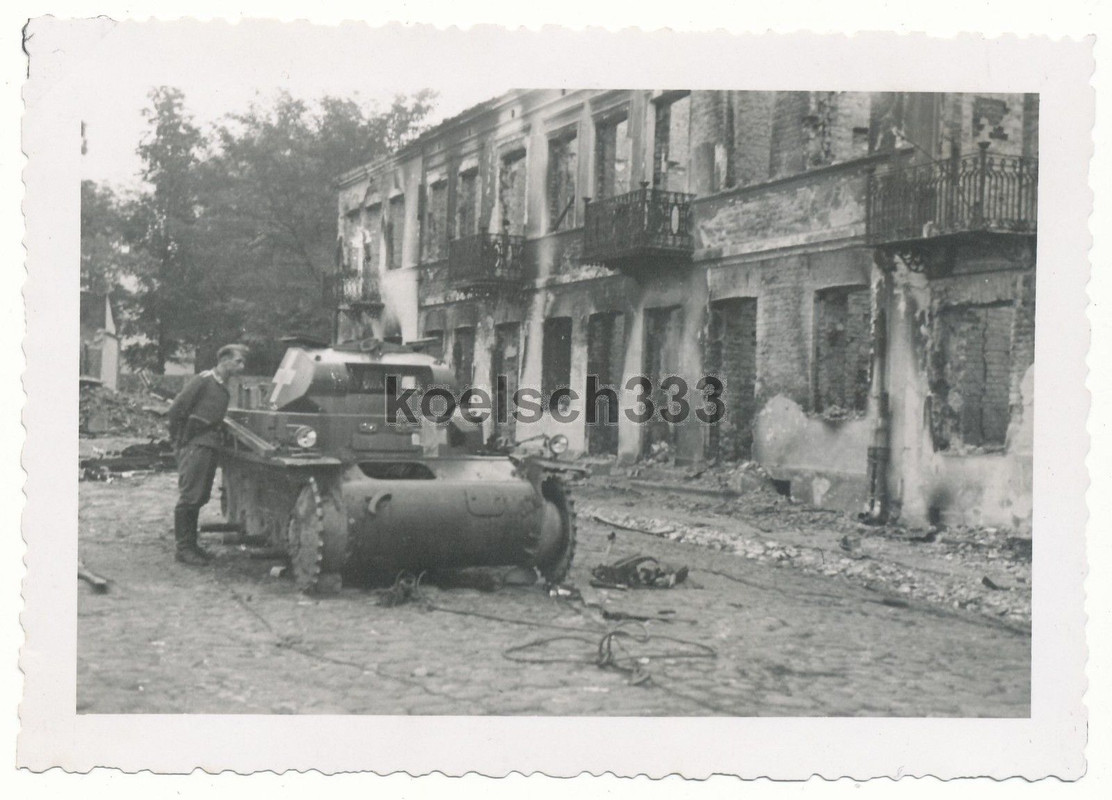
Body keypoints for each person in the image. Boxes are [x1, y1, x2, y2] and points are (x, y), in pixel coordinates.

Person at [166, 344, 248, 565]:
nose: (242, 366)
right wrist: (179, 442)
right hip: (195, 444)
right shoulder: (203, 381)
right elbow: (176, 410)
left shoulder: (222, 387)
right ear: (224, 361)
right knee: (190, 496)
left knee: (200, 495)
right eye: (238, 361)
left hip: (209, 445)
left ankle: (191, 545)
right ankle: (183, 549)